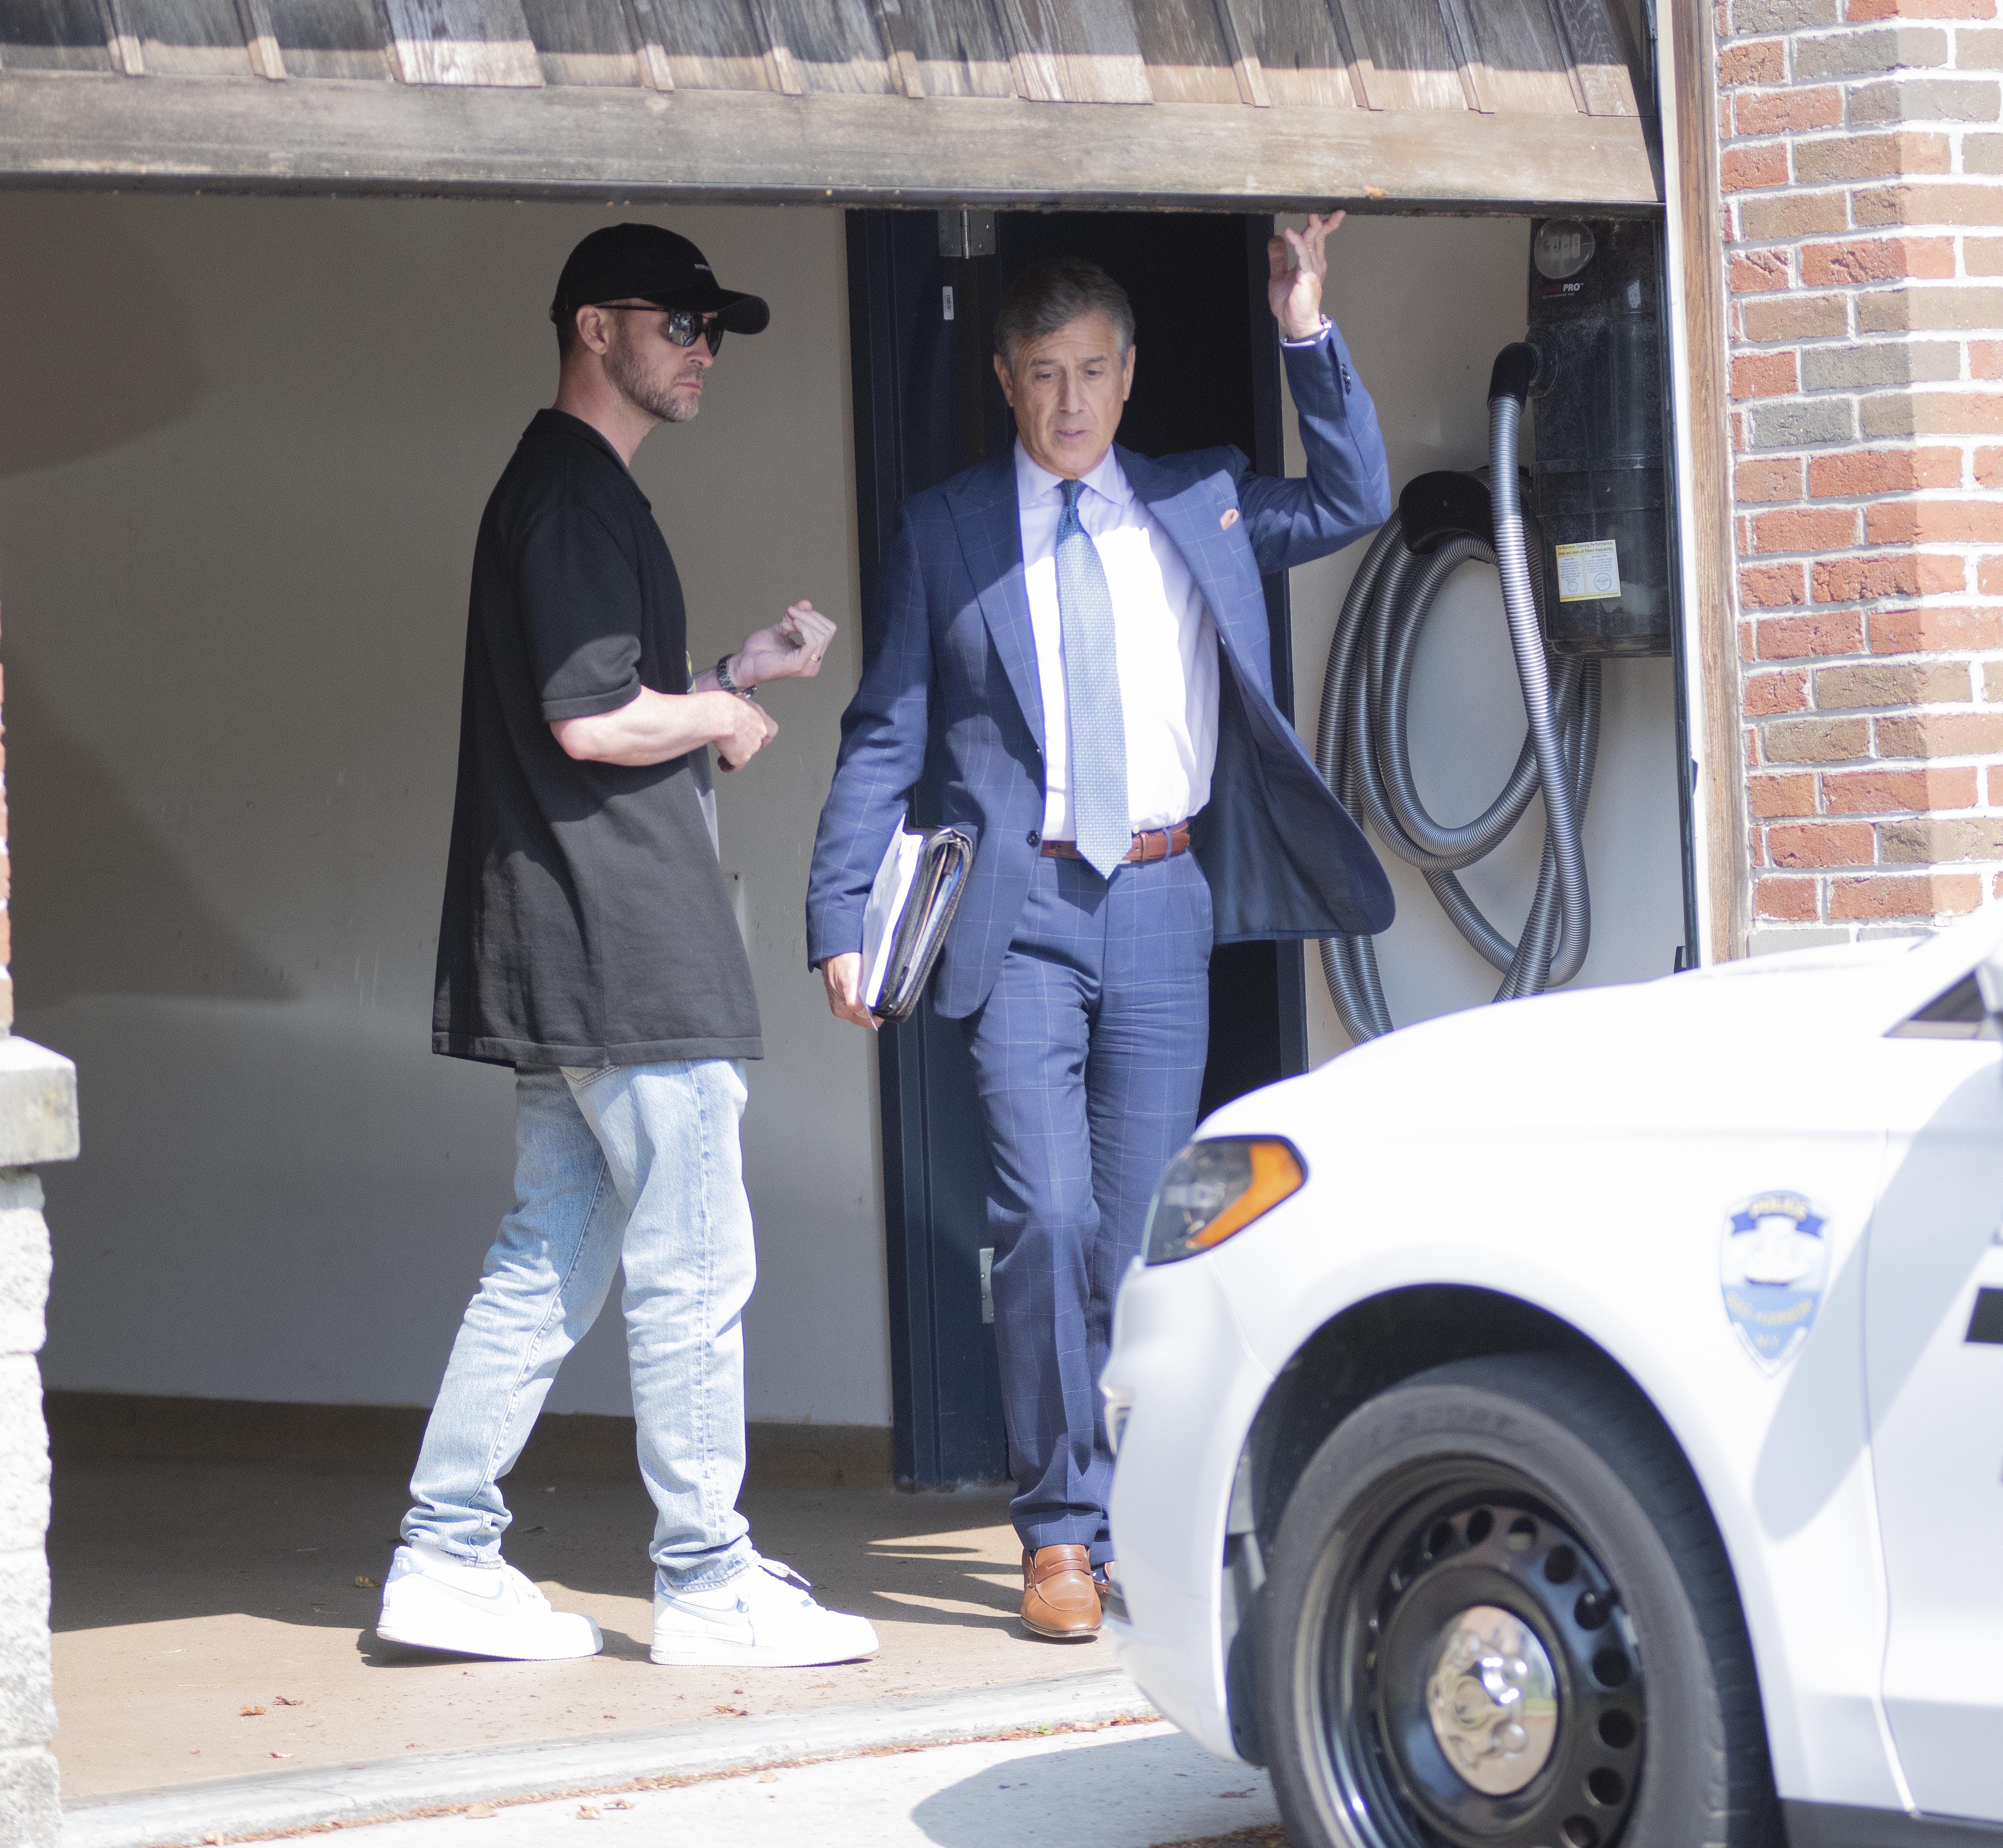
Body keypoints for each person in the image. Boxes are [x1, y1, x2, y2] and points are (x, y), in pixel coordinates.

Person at [806, 216, 1393, 1640]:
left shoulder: (1201, 501)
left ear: (1127, 379)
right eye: (1043, 374)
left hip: (1159, 897)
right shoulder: (947, 528)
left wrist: (1303, 324)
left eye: (1092, 371)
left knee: (1138, 1229)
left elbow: (1359, 495)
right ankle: (1059, 1530)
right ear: (1005, 381)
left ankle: (1142, 1510)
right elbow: (889, 726)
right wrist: (840, 909)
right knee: (1044, 1213)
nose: (1069, 401)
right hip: (1015, 913)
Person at [377, 223, 877, 1670]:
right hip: (627, 947)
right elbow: (593, 724)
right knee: (693, 1262)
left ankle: (445, 1551)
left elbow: (596, 714)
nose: (702, 349)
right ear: (596, 327)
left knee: (550, 1252)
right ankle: (708, 1580)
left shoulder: (565, 493)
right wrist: (715, 714)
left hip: (570, 939)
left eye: (715, 330)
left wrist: (730, 675)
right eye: (680, 324)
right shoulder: (573, 499)